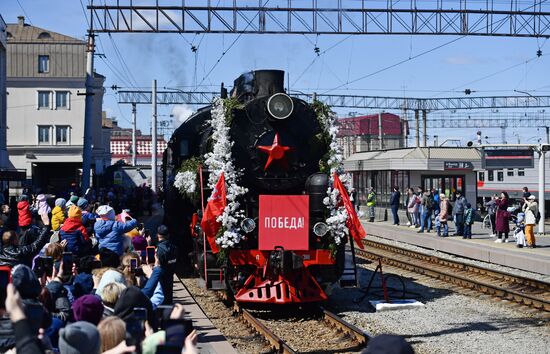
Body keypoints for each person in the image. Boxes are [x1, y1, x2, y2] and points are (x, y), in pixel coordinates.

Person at [156, 225, 178, 304]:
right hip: (170, 272)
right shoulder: (174, 247)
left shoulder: (159, 249)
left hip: (161, 275)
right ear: (168, 235)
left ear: (158, 235)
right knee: (169, 293)